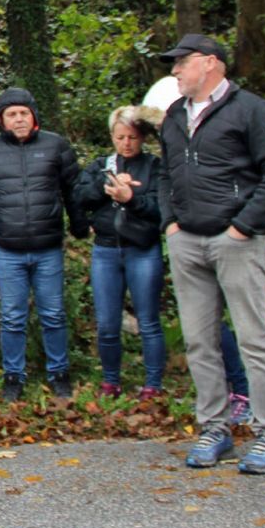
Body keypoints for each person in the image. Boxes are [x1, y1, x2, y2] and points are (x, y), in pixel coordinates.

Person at [156, 34, 265, 475]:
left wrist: (243, 226)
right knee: (199, 341)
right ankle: (214, 428)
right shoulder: (174, 115)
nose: (175, 70)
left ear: (210, 63)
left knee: (254, 339)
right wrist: (170, 222)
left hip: (236, 241)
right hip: (187, 241)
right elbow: (165, 174)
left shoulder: (250, 109)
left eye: (182, 62)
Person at [0, 88, 88, 400]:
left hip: (48, 247)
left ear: (34, 116)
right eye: (12, 114)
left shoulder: (55, 145)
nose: (18, 119)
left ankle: (59, 372)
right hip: (7, 249)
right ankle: (13, 376)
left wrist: (80, 226)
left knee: (53, 314)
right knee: (12, 316)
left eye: (23, 113)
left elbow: (73, 190)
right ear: (1, 120)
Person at [75, 105, 168, 397]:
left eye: (132, 137)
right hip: (105, 250)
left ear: (142, 138)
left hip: (142, 249)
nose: (126, 143)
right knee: (107, 323)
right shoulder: (101, 165)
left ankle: (153, 384)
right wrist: (107, 184)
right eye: (120, 137)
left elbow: (161, 210)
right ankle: (110, 381)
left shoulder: (154, 167)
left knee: (148, 320)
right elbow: (80, 197)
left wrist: (131, 198)